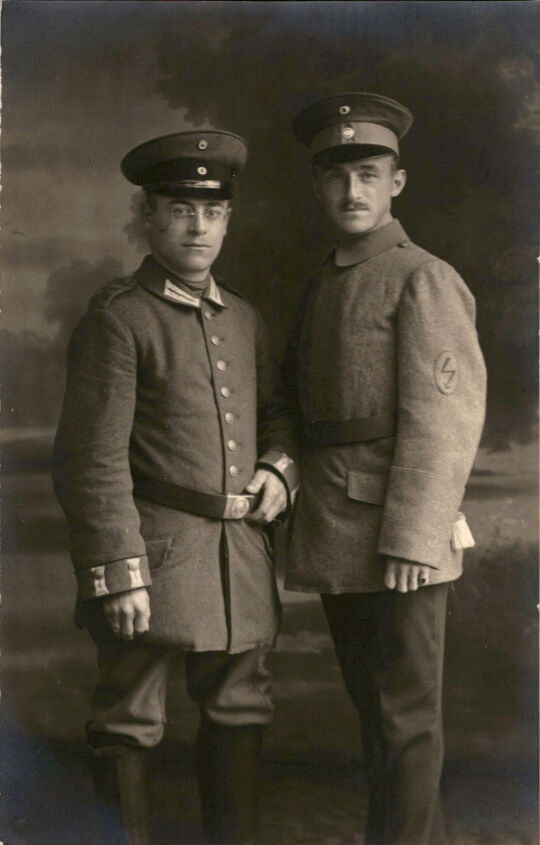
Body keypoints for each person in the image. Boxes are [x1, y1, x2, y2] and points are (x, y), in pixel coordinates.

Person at [53, 129, 298, 845]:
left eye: (213, 211)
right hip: (153, 556)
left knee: (240, 706)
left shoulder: (245, 318)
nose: (199, 226)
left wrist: (281, 468)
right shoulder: (121, 315)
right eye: (181, 209)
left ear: (228, 220)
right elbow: (90, 457)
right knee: (130, 713)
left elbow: (279, 416)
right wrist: (118, 573)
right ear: (150, 218)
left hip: (239, 558)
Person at [283, 93, 486, 844]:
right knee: (374, 713)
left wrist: (414, 535)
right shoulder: (324, 281)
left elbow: (446, 420)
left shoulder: (421, 276)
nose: (352, 192)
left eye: (368, 173)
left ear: (397, 181)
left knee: (405, 720)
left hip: (401, 539)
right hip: (340, 530)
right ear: (318, 186)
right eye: (337, 176)